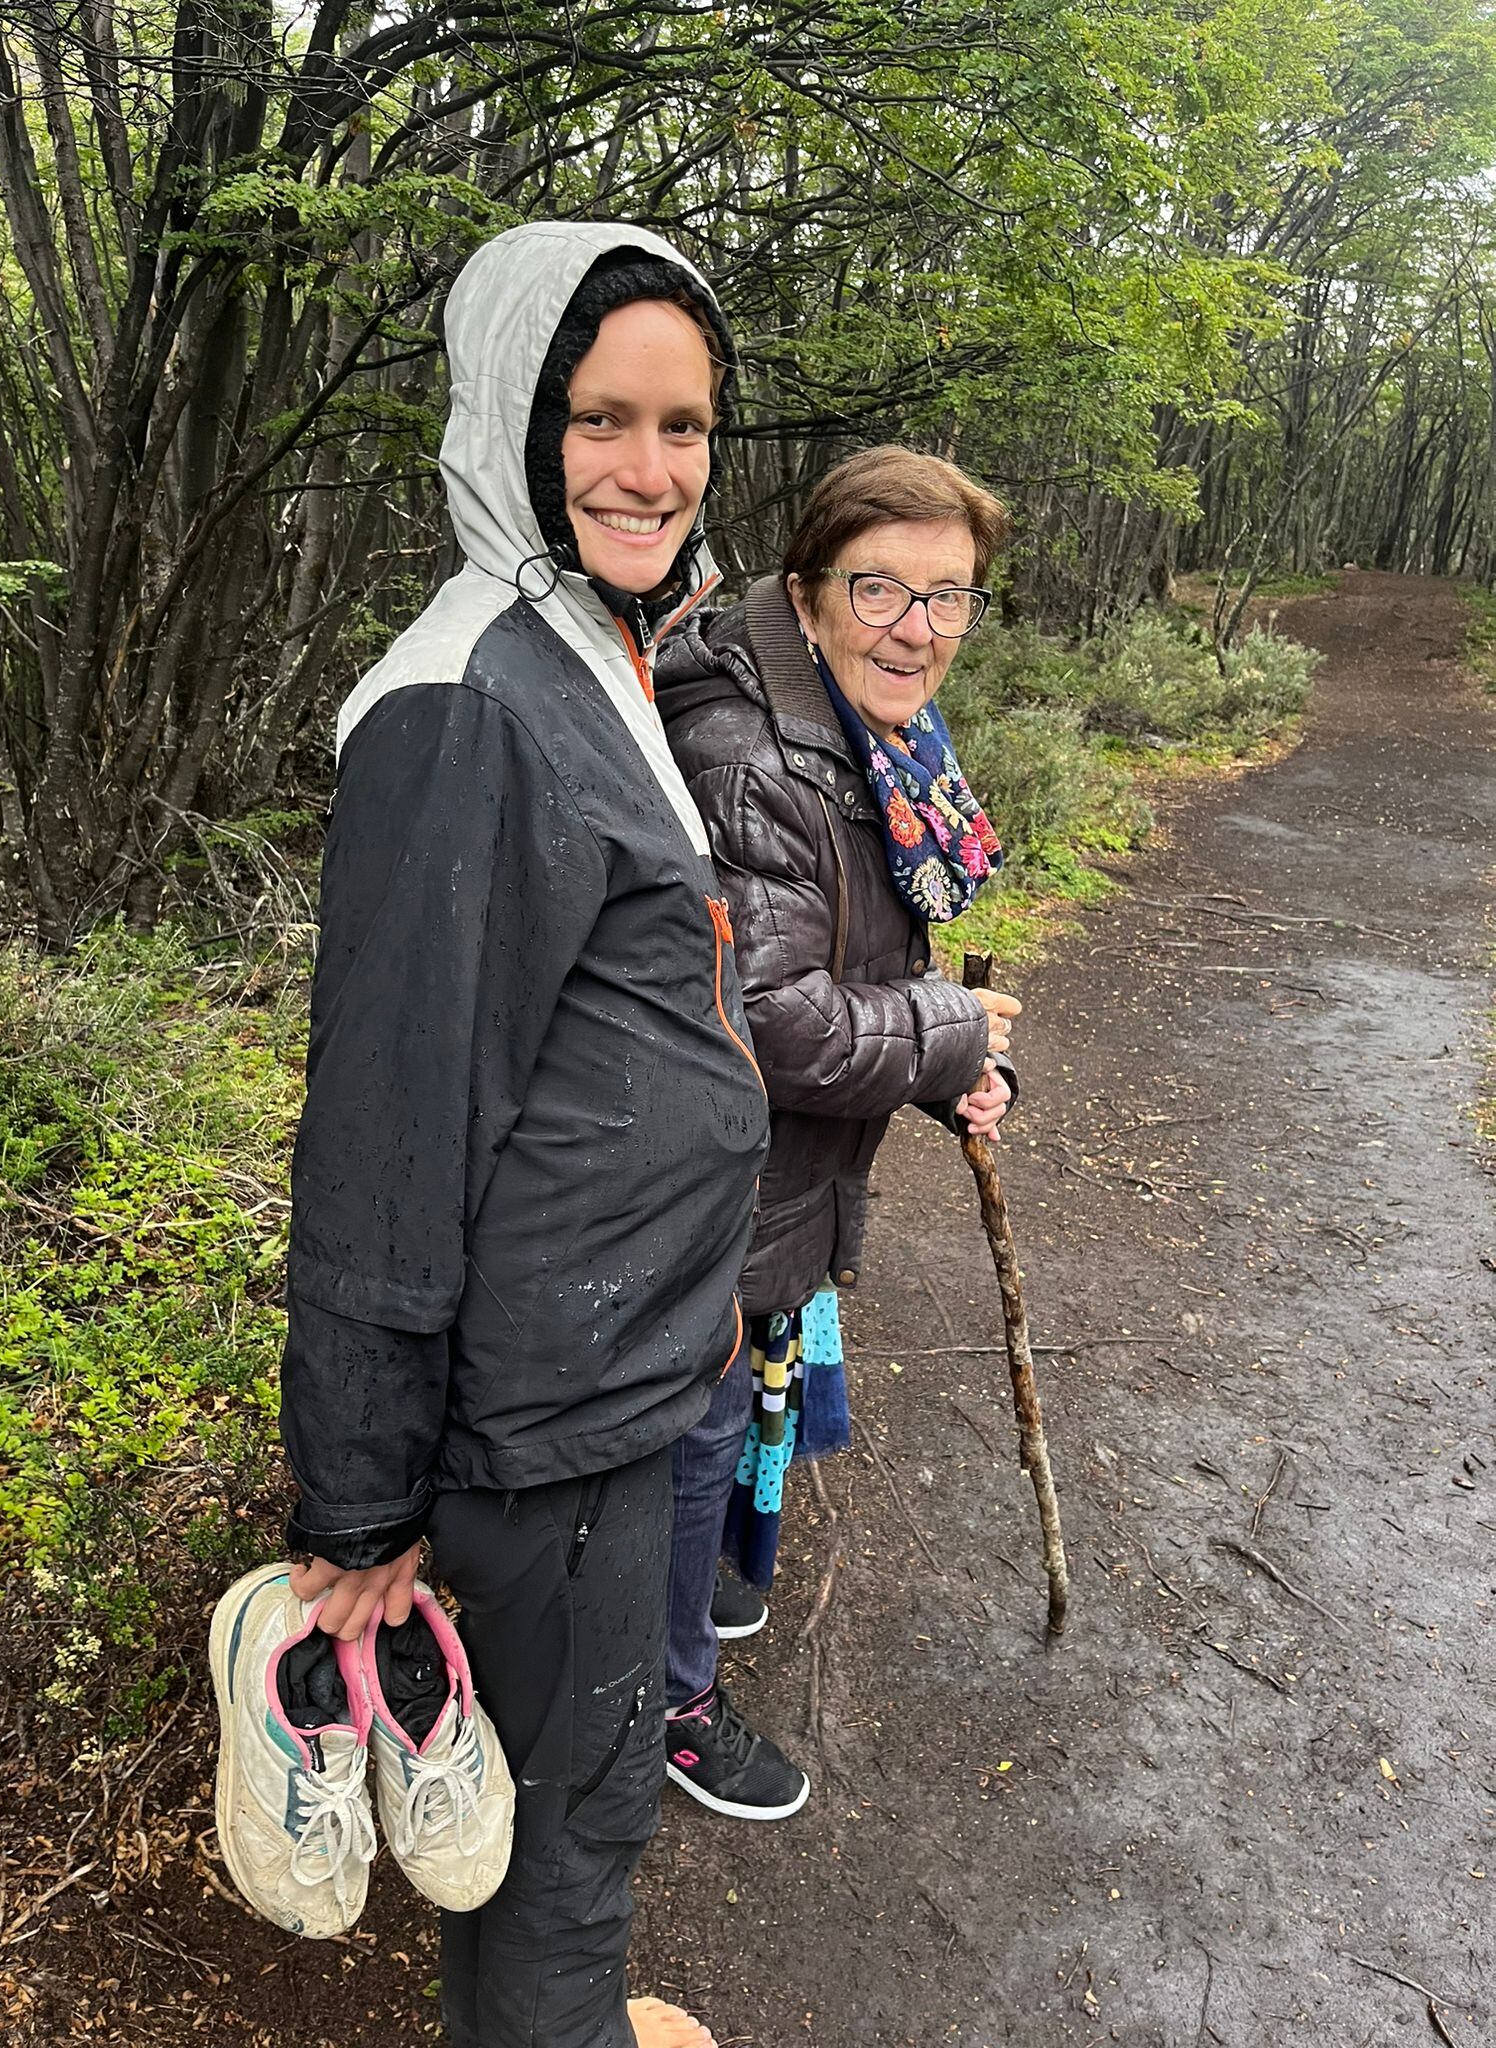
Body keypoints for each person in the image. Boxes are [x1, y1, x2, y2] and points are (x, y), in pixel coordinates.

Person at [278, 220, 769, 2048]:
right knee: (570, 1830)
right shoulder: (467, 699)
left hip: (609, 1376)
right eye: (599, 418)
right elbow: (389, 1134)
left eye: (687, 426)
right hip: (538, 1424)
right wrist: (361, 1496)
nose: (651, 469)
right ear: (510, 414)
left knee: (567, 1814)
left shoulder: (591, 645)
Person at [655, 444, 1018, 1820]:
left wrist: (946, 1065)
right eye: (880, 589)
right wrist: (944, 1035)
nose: (916, 629)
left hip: (770, 1170)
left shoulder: (872, 736)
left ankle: (687, 1624)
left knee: (725, 1403)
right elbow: (772, 1018)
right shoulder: (756, 754)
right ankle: (666, 1706)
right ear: (808, 594)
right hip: (699, 1173)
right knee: (689, 1431)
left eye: (948, 597)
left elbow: (859, 959)